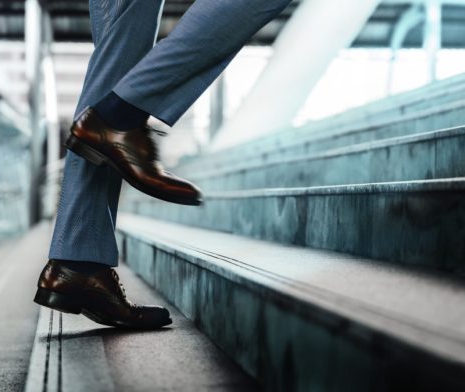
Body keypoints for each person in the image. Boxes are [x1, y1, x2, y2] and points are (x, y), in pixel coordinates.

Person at [34, 0, 292, 329]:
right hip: (118, 118)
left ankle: (78, 262)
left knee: (123, 29)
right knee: (122, 34)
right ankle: (120, 116)